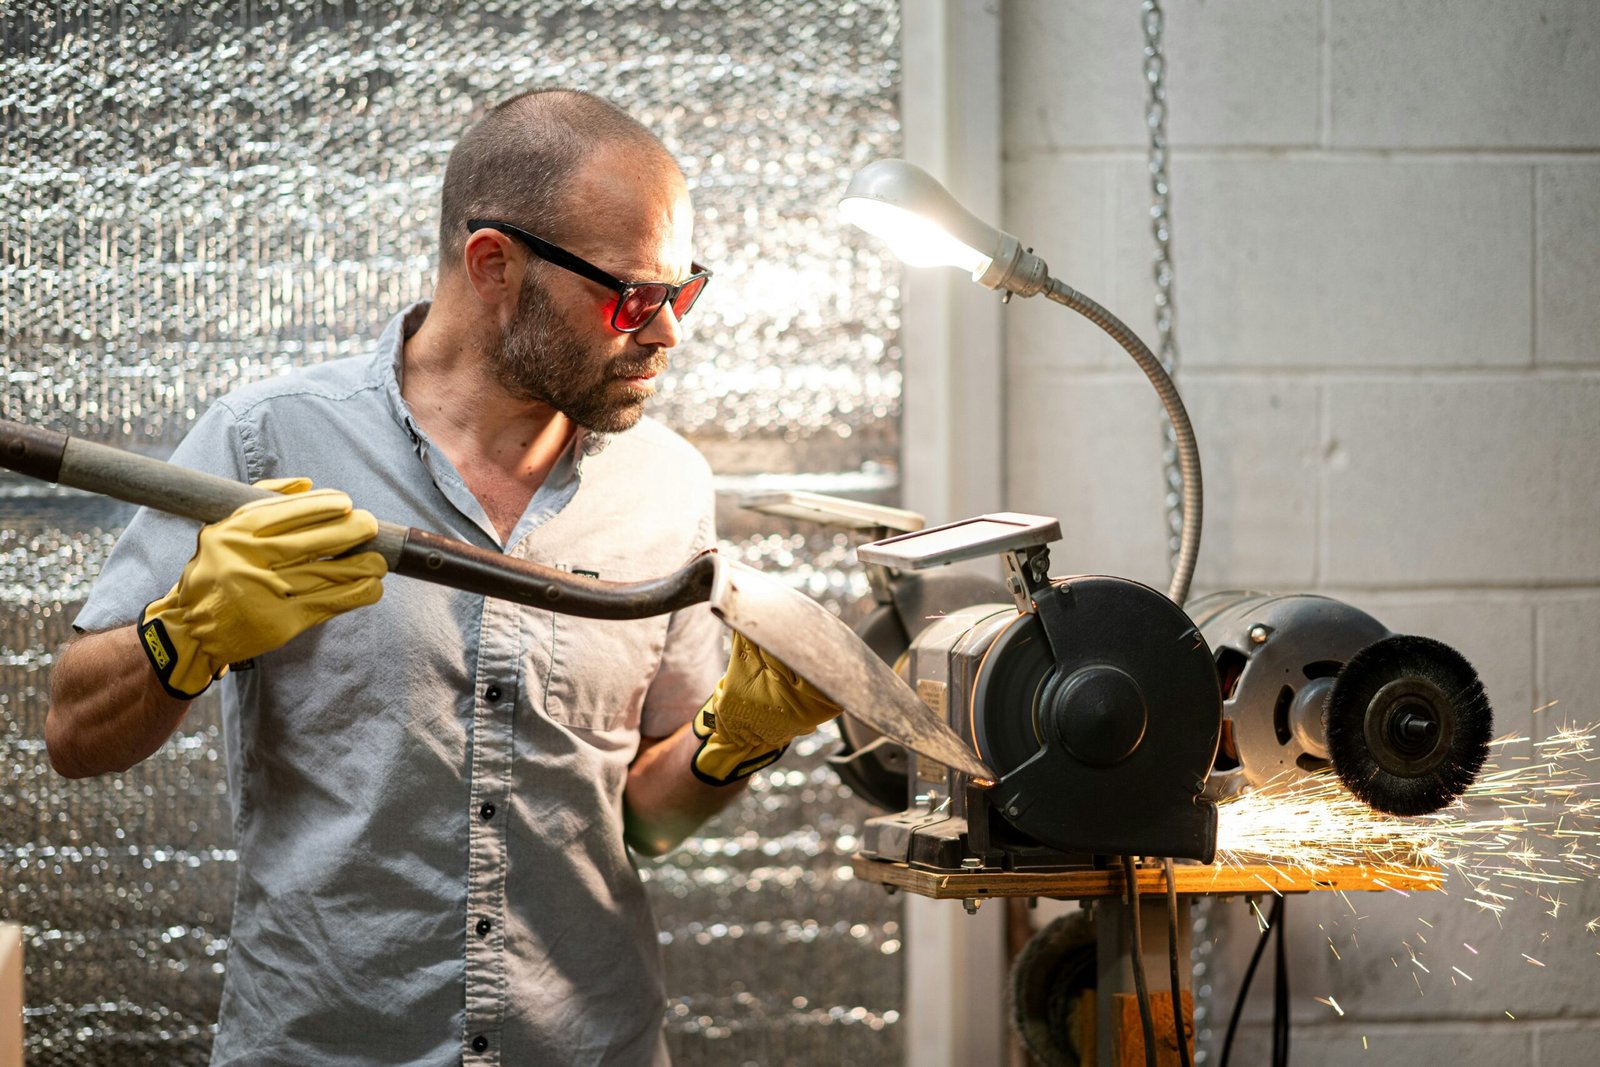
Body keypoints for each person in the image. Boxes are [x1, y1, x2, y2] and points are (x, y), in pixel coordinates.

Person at [45, 89, 842, 1066]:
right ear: (493, 265)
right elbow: (74, 735)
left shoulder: (667, 485)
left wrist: (730, 744)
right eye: (634, 297)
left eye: (684, 291)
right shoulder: (269, 442)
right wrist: (185, 635)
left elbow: (644, 822)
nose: (667, 331)